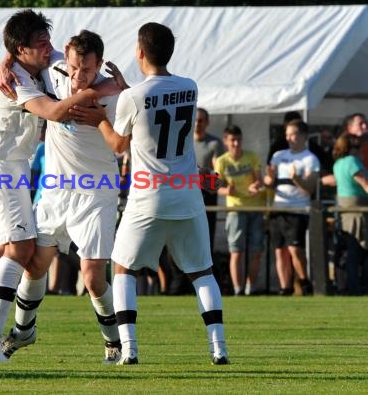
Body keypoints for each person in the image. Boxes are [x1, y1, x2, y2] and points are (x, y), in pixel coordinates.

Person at [0, 10, 115, 361]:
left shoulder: (44, 62)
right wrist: (96, 91)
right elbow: (53, 112)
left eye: (49, 42)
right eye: (40, 44)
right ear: (21, 50)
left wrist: (109, 84)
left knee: (4, 244)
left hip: (13, 164)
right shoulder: (15, 78)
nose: (49, 50)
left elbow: (86, 65)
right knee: (20, 246)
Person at [71, 22, 229, 365]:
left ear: (139, 52)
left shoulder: (132, 97)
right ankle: (219, 348)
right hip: (188, 193)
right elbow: (158, 106)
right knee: (202, 271)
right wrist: (130, 91)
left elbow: (118, 144)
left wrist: (99, 118)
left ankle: (129, 349)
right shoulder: (190, 87)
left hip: (149, 195)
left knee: (123, 269)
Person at [0, 29, 124, 363]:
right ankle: (23, 332)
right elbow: (22, 54)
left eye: (89, 71)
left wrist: (112, 98)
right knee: (35, 264)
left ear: (100, 66)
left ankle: (113, 339)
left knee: (93, 277)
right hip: (56, 189)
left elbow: (125, 145)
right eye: (76, 67)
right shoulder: (54, 68)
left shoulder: (118, 96)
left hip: (97, 192)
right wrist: (6, 59)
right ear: (66, 54)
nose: (79, 76)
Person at [264, 119, 319, 296]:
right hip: (278, 208)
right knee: (280, 251)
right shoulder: (278, 155)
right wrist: (268, 179)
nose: (289, 138)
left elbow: (310, 188)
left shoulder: (310, 159)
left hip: (297, 210)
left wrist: (297, 179)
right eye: (287, 134)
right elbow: (269, 182)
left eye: (293, 134)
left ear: (304, 136)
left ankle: (303, 282)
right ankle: (284, 288)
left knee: (295, 249)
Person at [215, 125, 265, 296]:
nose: (236, 144)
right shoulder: (221, 161)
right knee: (236, 251)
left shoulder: (252, 156)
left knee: (256, 251)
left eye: (238, 140)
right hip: (235, 209)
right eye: (232, 140)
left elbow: (260, 180)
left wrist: (255, 185)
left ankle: (251, 287)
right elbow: (216, 186)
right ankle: (238, 289)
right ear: (226, 141)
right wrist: (226, 191)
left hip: (255, 207)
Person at [332, 134, 368, 295]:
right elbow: (364, 183)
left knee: (349, 250)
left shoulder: (338, 163)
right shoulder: (352, 161)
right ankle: (357, 285)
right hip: (357, 210)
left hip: (344, 210)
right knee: (357, 250)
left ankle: (348, 285)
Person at [194, 107, 224, 254]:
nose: (197, 123)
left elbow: (217, 174)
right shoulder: (182, 143)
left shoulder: (215, 144)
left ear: (207, 122)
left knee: (206, 235)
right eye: (194, 120)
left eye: (200, 120)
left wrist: (200, 174)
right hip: (186, 193)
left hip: (207, 194)